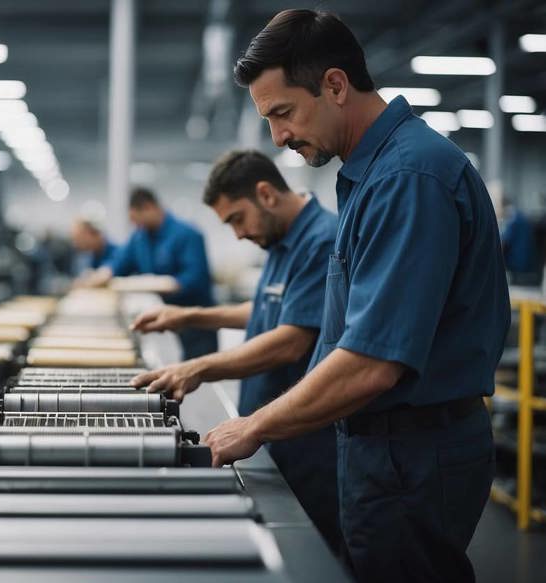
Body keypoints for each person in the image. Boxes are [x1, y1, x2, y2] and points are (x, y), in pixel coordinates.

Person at [199, 9, 510, 583]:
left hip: (409, 454)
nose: (279, 137)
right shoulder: (371, 177)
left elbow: (372, 361)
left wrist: (256, 425)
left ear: (335, 85)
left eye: (283, 113)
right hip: (384, 449)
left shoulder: (407, 179)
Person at [130, 149, 340, 550]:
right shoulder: (282, 241)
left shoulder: (320, 241)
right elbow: (264, 310)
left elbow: (290, 341)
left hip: (305, 440)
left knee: (311, 552)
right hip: (269, 428)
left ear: (266, 194)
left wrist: (197, 367)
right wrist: (189, 316)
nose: (238, 234)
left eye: (237, 220)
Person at [91, 187, 218, 359]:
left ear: (149, 207)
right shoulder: (140, 237)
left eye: (138, 220)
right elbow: (120, 262)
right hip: (164, 319)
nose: (137, 226)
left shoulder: (188, 234)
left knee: (201, 375)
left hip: (196, 323)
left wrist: (169, 284)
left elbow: (196, 278)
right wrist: (103, 274)